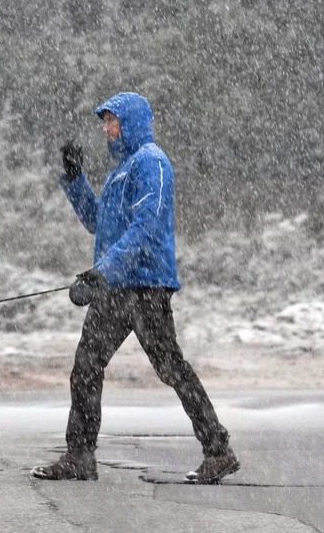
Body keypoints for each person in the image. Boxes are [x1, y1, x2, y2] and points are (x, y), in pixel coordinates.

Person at [30, 92, 240, 484]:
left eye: (113, 122)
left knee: (170, 368)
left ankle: (218, 450)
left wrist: (101, 272)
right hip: (115, 287)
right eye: (106, 123)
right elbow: (98, 223)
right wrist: (76, 181)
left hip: (145, 287)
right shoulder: (120, 172)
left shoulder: (152, 163)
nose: (108, 130)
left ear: (133, 122)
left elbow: (146, 226)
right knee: (86, 366)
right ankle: (80, 456)